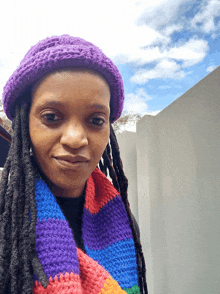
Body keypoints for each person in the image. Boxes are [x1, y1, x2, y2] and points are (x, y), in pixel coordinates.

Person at [0, 35, 148, 294]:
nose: (75, 138)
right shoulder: (5, 220)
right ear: (25, 124)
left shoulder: (125, 223)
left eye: (96, 120)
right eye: (52, 117)